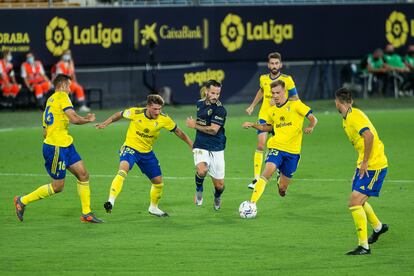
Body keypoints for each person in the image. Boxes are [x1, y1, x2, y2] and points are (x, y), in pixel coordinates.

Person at [14, 74, 102, 223]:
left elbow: (44, 131)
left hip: (65, 144)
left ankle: (86, 213)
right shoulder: (62, 96)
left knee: (83, 175)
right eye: (68, 85)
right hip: (56, 147)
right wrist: (87, 119)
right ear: (62, 86)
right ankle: (22, 201)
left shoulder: (49, 101)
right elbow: (73, 118)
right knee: (58, 186)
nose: (69, 89)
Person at [96, 94, 193, 217]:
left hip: (147, 153)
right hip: (130, 148)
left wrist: (191, 144)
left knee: (158, 182)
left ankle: (153, 208)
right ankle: (111, 201)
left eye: (159, 109)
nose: (157, 112)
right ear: (148, 107)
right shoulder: (135, 112)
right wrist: (106, 123)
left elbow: (178, 131)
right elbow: (119, 114)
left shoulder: (164, 119)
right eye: (155, 109)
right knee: (123, 169)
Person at [242, 80, 317, 203]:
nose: (275, 96)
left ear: (285, 92)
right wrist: (253, 125)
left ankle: (280, 178)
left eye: (278, 93)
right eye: (273, 93)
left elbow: (313, 119)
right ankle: (251, 204)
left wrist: (311, 126)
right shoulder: (271, 111)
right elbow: (268, 127)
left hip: (293, 152)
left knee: (282, 189)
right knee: (267, 172)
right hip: (276, 147)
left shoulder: (296, 105)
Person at [335, 87, 389, 255]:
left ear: (337, 103)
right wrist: (358, 167)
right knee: (358, 200)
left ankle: (364, 246)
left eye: (337, 102)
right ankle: (378, 227)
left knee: (354, 202)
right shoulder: (347, 117)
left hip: (375, 166)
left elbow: (369, 136)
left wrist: (365, 163)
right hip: (365, 165)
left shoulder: (354, 117)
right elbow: (360, 145)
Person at [245, 52, 299, 189]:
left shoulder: (287, 80)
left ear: (280, 64)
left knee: (279, 146)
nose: (274, 66)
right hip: (265, 115)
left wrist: (280, 102)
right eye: (272, 63)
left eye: (276, 63)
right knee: (261, 144)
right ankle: (256, 179)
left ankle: (279, 171)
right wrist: (252, 106)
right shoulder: (263, 78)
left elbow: (295, 98)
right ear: (268, 65)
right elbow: (261, 91)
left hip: (280, 118)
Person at [185, 80, 227, 210]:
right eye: (213, 93)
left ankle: (217, 197)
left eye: (218, 94)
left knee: (219, 186)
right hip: (200, 145)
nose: (215, 96)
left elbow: (213, 130)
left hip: (216, 147)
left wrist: (194, 126)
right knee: (202, 170)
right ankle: (199, 190)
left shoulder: (220, 110)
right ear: (206, 91)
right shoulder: (199, 103)